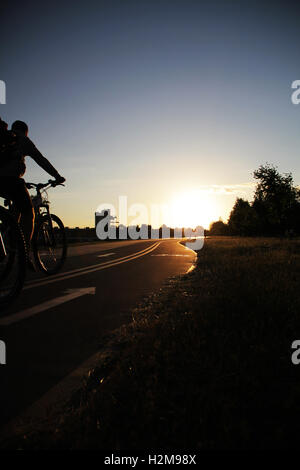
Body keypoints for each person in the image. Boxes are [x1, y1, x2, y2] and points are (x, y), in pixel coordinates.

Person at [0, 119, 65, 265]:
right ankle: (24, 253)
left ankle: (9, 235)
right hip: (10, 180)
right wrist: (57, 176)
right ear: (25, 131)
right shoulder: (22, 139)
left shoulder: (5, 138)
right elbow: (41, 159)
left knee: (16, 210)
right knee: (29, 213)